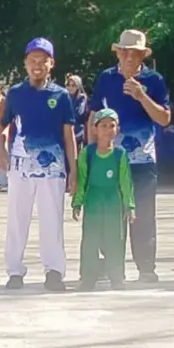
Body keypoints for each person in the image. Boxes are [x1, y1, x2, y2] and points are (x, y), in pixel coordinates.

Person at [93, 30, 174, 282]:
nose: (129, 57)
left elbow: (164, 118)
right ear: (117, 52)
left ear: (143, 55)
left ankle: (146, 268)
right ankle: (112, 267)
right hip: (110, 159)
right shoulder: (106, 78)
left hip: (143, 161)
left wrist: (142, 96)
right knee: (110, 215)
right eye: (124, 51)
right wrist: (90, 153)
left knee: (143, 216)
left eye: (135, 52)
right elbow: (93, 116)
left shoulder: (154, 80)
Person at [0, 37, 77, 290]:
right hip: (20, 166)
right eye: (33, 60)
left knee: (51, 219)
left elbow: (68, 135)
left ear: (51, 64)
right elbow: (3, 126)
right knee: (17, 218)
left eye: (43, 61)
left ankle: (54, 271)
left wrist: (73, 169)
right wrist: (1, 149)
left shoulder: (61, 95)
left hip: (52, 168)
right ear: (25, 63)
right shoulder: (15, 93)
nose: (37, 65)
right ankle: (14, 271)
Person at [75, 108, 134, 287]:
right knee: (90, 240)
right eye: (103, 126)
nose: (108, 130)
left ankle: (116, 277)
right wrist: (77, 202)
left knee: (115, 239)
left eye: (112, 126)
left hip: (113, 201)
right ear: (95, 129)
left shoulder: (120, 154)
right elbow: (82, 179)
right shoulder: (88, 153)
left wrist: (129, 205)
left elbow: (125, 181)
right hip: (93, 200)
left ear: (117, 129)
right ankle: (88, 278)